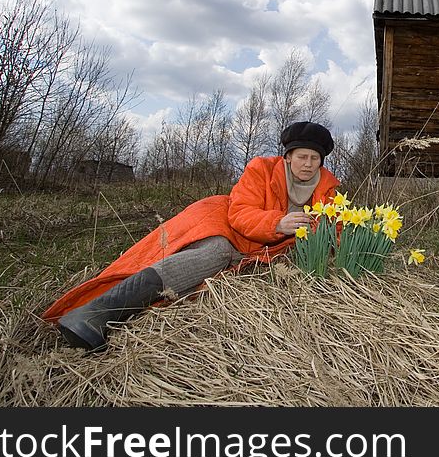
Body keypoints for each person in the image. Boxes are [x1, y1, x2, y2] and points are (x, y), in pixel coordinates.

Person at [43, 121, 340, 351]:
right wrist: (278, 223)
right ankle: (95, 314)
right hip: (220, 222)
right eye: (302, 156)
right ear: (287, 157)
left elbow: (333, 228)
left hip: (256, 249)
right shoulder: (260, 169)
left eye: (315, 158)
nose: (308, 164)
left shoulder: (327, 190)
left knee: (221, 271)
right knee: (216, 254)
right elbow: (241, 213)